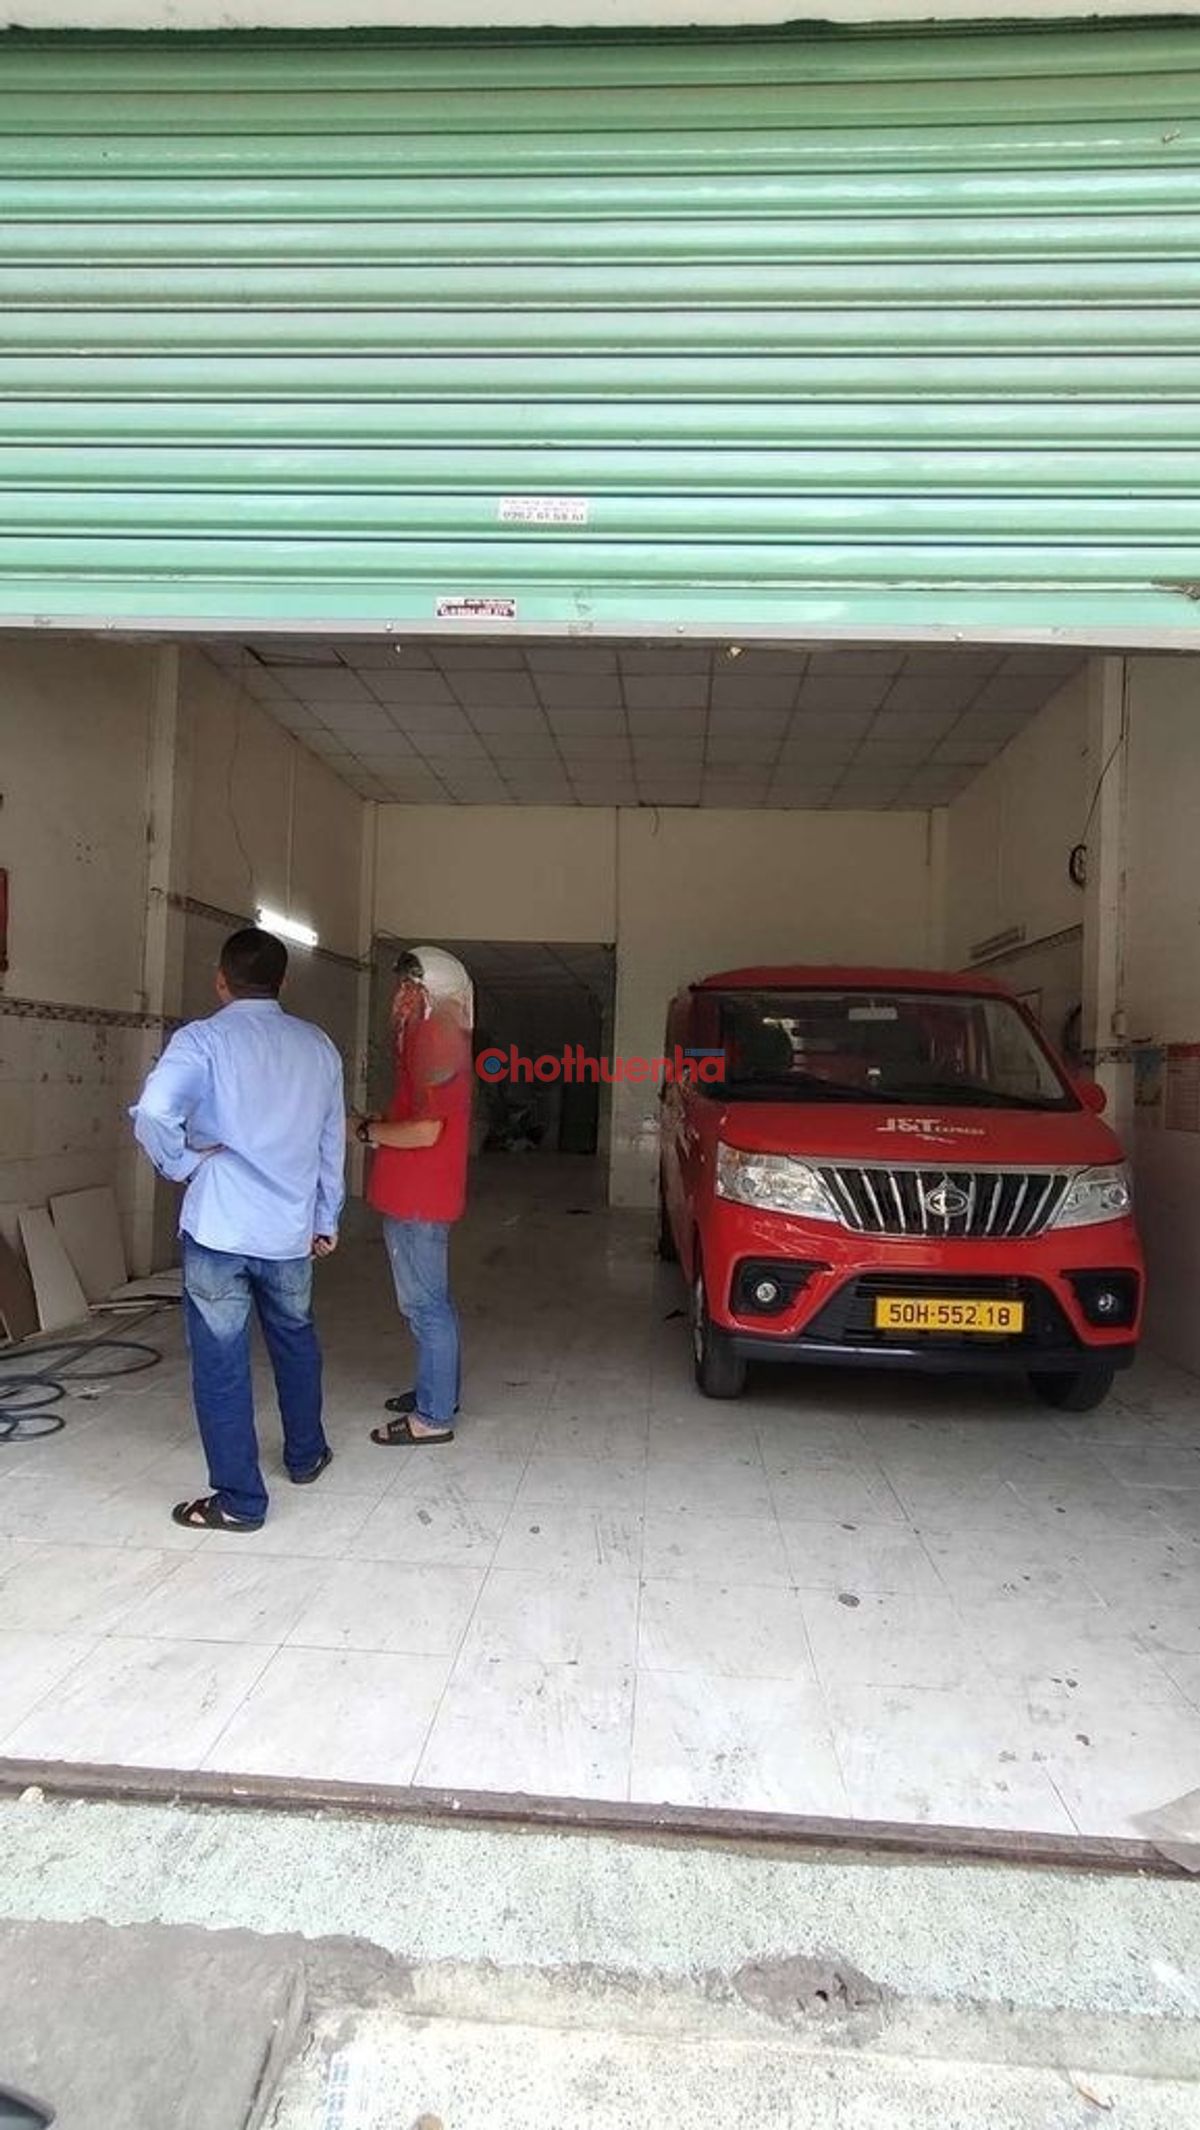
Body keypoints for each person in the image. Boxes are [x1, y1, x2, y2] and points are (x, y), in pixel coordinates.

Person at [130, 926, 346, 1531]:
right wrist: (326, 1216)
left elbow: (154, 1111)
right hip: (288, 1230)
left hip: (219, 1228)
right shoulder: (318, 1047)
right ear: (284, 981)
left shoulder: (202, 1040)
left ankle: (240, 1502)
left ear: (220, 981)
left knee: (221, 1363)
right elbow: (331, 1143)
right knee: (296, 1341)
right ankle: (306, 1456)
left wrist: (182, 1163)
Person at [352, 946, 473, 1446]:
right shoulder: (426, 1037)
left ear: (433, 992)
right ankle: (438, 1391)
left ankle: (433, 1416)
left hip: (420, 1197)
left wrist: (363, 1132)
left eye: (410, 987)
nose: (399, 997)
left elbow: (426, 1131)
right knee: (428, 1303)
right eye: (400, 985)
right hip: (413, 1194)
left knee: (426, 1307)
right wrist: (377, 1122)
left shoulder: (438, 1038)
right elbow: (415, 1114)